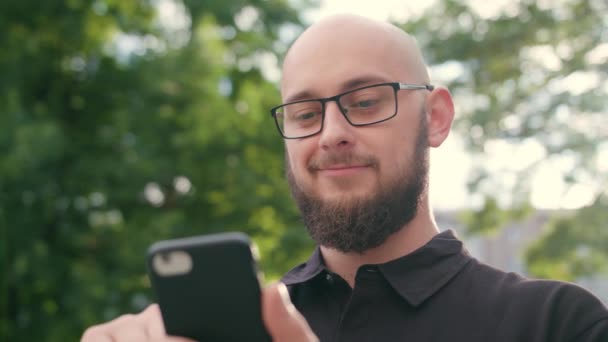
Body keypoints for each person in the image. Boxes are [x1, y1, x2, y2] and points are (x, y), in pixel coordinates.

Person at [81, 14, 608, 342]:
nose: (331, 133)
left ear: (437, 118)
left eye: (365, 102)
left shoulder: (558, 324)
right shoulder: (236, 327)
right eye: (305, 113)